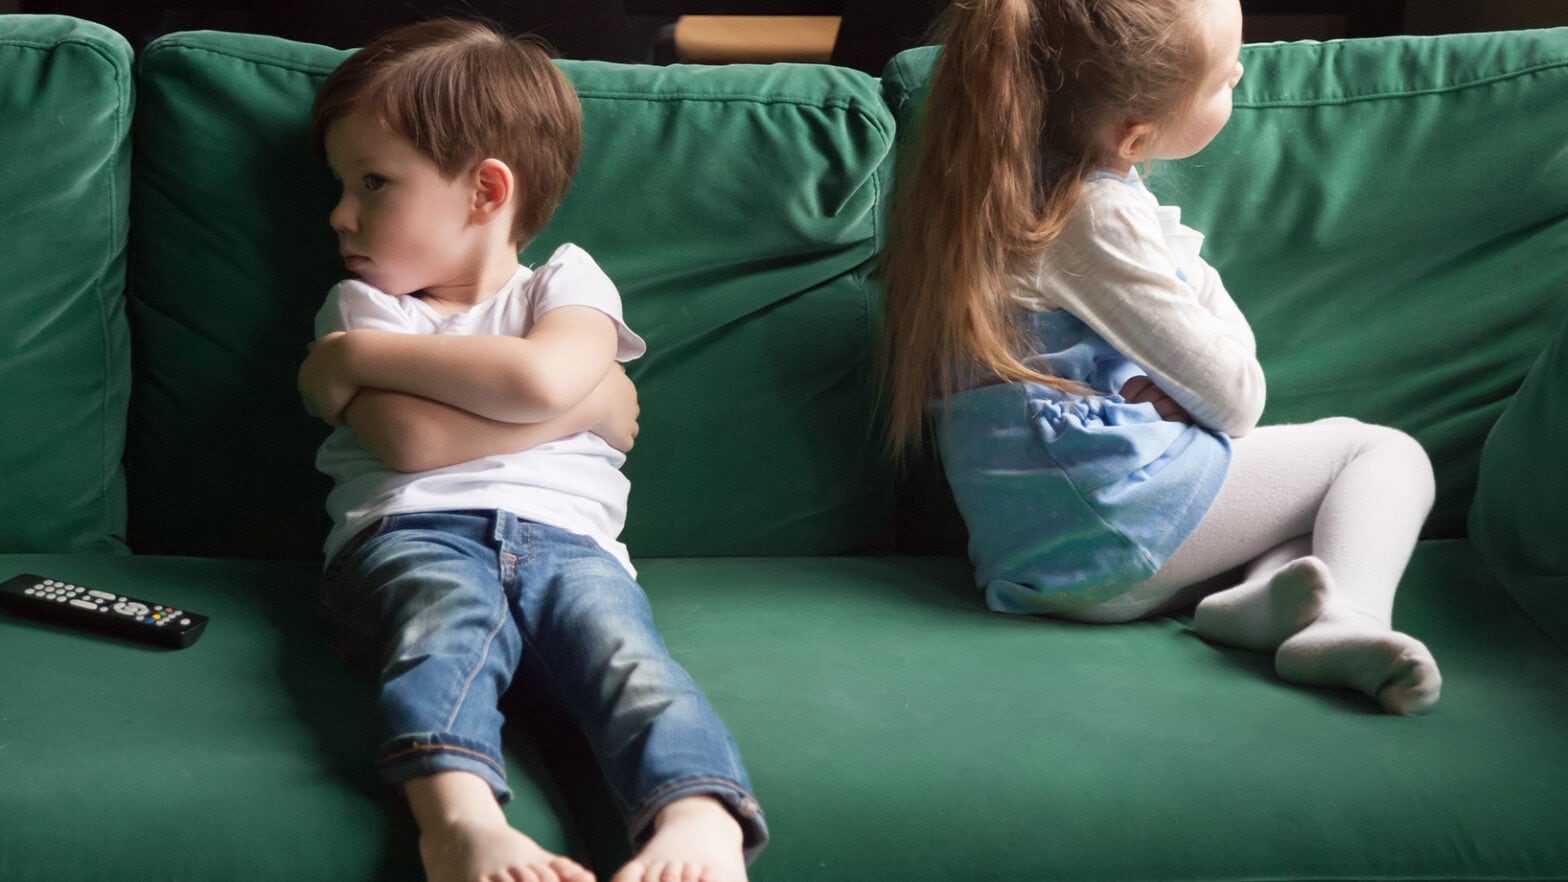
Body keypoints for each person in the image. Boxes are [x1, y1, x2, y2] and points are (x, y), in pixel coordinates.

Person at [296, 19, 766, 882]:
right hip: (410, 535)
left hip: (570, 542)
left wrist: (355, 369)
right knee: (441, 636)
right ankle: (462, 824)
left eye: (372, 183)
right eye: (339, 184)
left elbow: (543, 381)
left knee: (628, 660)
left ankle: (699, 817)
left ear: (485, 192)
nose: (339, 214)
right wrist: (590, 405)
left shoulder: (568, 283)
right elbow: (415, 441)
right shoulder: (367, 307)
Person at [879, 0, 1442, 715]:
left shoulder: (998, 196)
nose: (1240, 72)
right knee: (1380, 457)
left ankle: (1257, 607)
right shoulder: (1091, 215)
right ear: (1136, 135)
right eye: (1222, 81)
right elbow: (1239, 397)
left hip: (1048, 551)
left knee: (1315, 512)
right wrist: (1186, 274)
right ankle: (1350, 619)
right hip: (1113, 529)